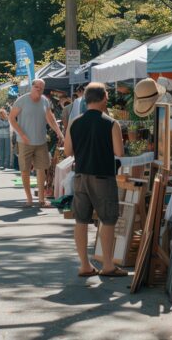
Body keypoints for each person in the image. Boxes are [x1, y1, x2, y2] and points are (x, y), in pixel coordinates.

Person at [64, 83, 127, 277]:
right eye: (107, 96)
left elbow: (67, 151)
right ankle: (107, 264)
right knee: (108, 220)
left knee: (81, 220)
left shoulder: (75, 122)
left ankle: (84, 264)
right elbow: (119, 152)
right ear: (103, 98)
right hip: (103, 175)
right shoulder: (111, 123)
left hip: (81, 175)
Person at [9, 79, 64, 207]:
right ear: (31, 87)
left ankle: (41, 199)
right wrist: (21, 134)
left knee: (41, 169)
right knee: (25, 170)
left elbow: (50, 118)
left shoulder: (45, 101)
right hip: (24, 142)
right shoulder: (22, 100)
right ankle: (29, 199)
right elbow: (11, 118)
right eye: (36, 86)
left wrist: (59, 132)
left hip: (41, 141)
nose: (38, 89)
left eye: (41, 87)